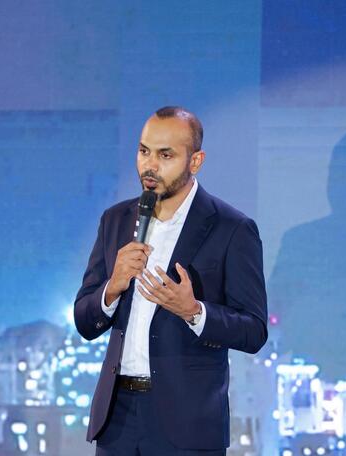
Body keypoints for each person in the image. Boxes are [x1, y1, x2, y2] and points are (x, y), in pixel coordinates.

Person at [74, 106, 268, 455]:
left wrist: (193, 311)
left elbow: (254, 331)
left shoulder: (232, 228)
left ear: (196, 161)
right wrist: (112, 288)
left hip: (187, 424)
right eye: (143, 151)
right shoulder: (115, 220)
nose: (150, 166)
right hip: (117, 421)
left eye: (165, 155)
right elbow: (85, 321)